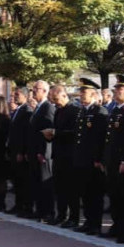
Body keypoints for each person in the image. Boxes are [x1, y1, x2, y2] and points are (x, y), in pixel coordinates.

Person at [102, 75, 124, 242]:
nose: (116, 92)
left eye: (119, 90)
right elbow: (110, 138)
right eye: (115, 89)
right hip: (112, 160)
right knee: (114, 196)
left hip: (122, 161)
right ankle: (116, 226)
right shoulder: (116, 109)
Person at [73, 79, 109, 235]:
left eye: (84, 92)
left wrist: (98, 159)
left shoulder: (99, 112)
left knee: (95, 194)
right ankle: (88, 221)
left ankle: (96, 224)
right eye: (81, 92)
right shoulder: (83, 111)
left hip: (93, 161)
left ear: (94, 94)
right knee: (85, 193)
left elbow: (100, 139)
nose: (81, 95)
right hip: (82, 159)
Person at [44, 85, 80, 226]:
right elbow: (56, 130)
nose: (54, 101)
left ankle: (74, 218)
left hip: (69, 154)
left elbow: (74, 132)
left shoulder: (75, 110)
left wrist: (56, 133)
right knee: (59, 188)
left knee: (71, 188)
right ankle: (61, 215)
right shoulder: (58, 111)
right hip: (58, 153)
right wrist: (49, 135)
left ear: (64, 95)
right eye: (52, 98)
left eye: (56, 97)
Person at [27, 80, 56, 222]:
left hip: (43, 152)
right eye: (32, 89)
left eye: (36, 89)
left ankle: (48, 212)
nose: (33, 92)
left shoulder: (48, 107)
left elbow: (48, 131)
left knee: (45, 183)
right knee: (36, 182)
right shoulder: (38, 107)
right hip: (34, 151)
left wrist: (43, 152)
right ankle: (39, 210)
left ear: (44, 91)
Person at [6, 87, 33, 216]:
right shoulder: (18, 110)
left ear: (26, 96)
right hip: (13, 150)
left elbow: (25, 134)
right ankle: (18, 204)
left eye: (17, 95)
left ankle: (26, 206)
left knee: (24, 181)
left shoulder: (27, 111)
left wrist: (22, 152)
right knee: (17, 180)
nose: (15, 97)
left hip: (20, 152)